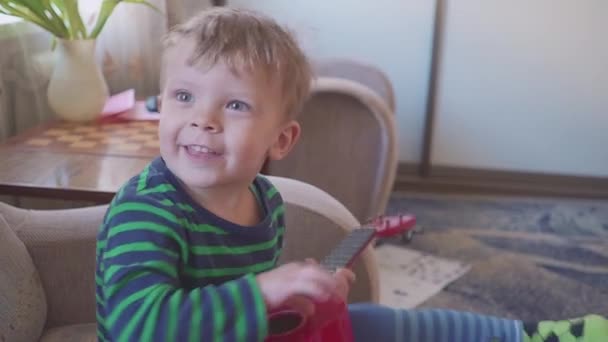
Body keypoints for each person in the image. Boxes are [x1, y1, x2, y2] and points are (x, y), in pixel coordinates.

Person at [95, 7, 607, 342]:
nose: (203, 118)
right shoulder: (146, 211)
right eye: (184, 96)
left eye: (234, 104)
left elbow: (243, 304)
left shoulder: (266, 200)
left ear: (281, 140)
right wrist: (265, 290)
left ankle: (527, 336)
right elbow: (134, 324)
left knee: (377, 323)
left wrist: (295, 289)